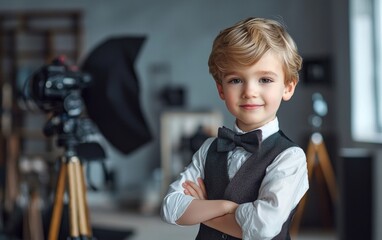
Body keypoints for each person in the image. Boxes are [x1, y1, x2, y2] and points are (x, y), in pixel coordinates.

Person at [161, 17, 309, 240]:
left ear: (287, 87)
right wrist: (226, 206)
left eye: (265, 80)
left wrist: (202, 208)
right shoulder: (209, 147)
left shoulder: (290, 158)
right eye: (236, 80)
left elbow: (263, 228)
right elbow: (170, 208)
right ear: (221, 89)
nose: (249, 91)